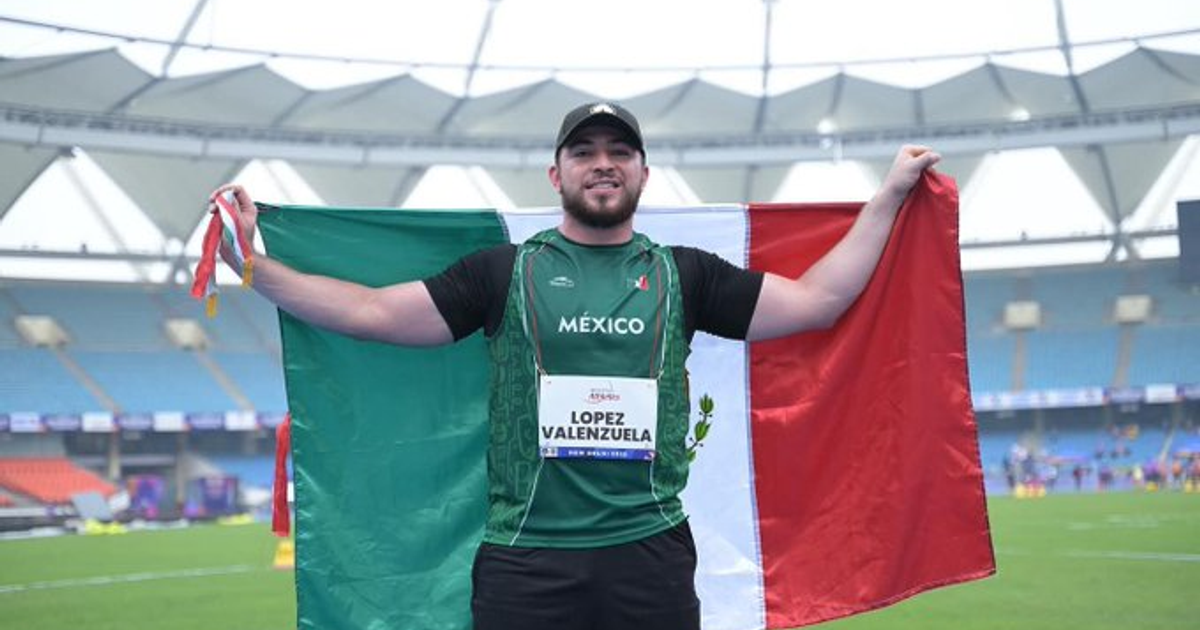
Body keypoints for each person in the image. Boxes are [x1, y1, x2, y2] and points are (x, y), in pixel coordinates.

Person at [210, 101, 940, 630]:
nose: (602, 164)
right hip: (525, 564)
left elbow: (816, 300)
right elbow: (371, 313)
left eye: (618, 152)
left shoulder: (685, 273)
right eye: (585, 152)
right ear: (555, 171)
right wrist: (253, 265)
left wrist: (889, 197)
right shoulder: (501, 273)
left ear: (643, 172)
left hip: (648, 555)